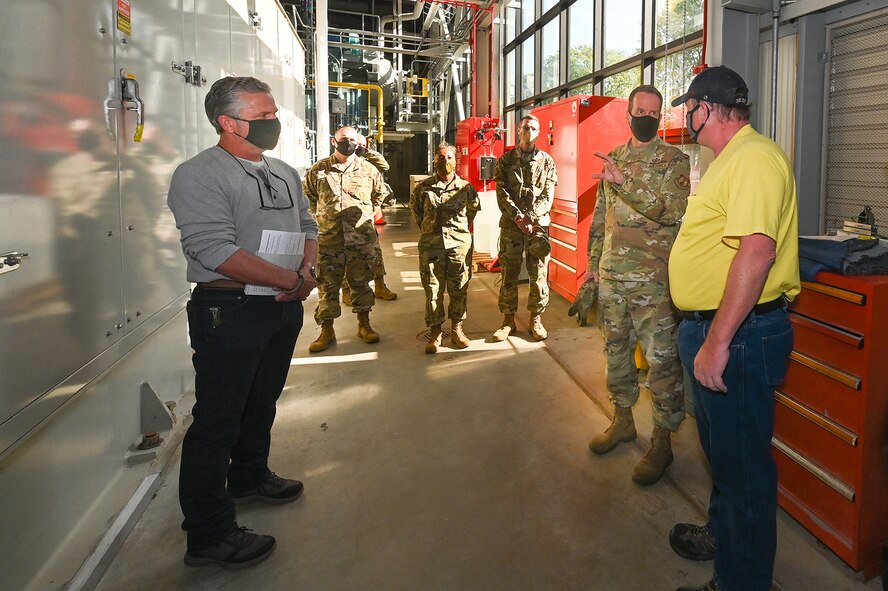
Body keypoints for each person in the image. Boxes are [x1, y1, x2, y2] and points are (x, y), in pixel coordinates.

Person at [167, 76, 319, 569]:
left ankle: (250, 476)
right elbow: (213, 249)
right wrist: (288, 279)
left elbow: (307, 225)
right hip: (229, 309)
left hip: (279, 304)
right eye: (263, 117)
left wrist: (307, 271)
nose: (273, 123)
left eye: (274, 114)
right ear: (227, 122)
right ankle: (209, 533)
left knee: (261, 400)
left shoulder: (284, 172)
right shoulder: (199, 174)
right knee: (219, 417)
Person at [667, 66, 799, 591]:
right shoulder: (728, 161)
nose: (685, 118)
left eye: (689, 108)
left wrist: (717, 342)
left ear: (709, 108)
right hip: (718, 331)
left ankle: (739, 581)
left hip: (737, 337)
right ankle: (726, 538)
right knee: (725, 454)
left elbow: (757, 250)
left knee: (743, 472)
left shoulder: (754, 159)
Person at [585, 85, 691, 486]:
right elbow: (600, 219)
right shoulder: (612, 159)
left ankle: (663, 441)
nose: (647, 116)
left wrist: (625, 182)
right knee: (615, 354)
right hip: (614, 278)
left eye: (654, 112)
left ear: (660, 116)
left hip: (653, 283)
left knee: (662, 363)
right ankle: (623, 420)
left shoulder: (673, 161)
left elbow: (670, 212)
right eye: (640, 110)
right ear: (628, 113)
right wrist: (593, 268)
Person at [303, 125, 387, 352]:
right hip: (330, 240)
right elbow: (309, 196)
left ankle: (364, 325)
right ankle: (326, 331)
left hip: (360, 240)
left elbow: (380, 194)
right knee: (327, 287)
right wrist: (322, 216)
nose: (347, 142)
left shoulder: (368, 170)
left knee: (361, 284)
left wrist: (368, 212)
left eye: (351, 139)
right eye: (343, 138)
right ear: (334, 141)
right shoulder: (319, 170)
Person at [491, 114, 558, 341]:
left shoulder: (547, 161)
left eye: (533, 128)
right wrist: (518, 216)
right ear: (518, 130)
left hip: (537, 227)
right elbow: (501, 192)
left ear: (539, 133)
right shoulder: (506, 160)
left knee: (538, 273)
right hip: (512, 225)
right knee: (509, 272)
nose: (528, 130)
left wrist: (531, 217)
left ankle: (535, 319)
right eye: (525, 127)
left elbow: (548, 194)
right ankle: (508, 321)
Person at [410, 142, 481, 353]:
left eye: (449, 157)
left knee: (459, 288)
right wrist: (431, 231)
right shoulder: (422, 188)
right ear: (434, 160)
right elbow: (418, 215)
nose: (445, 161)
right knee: (433, 291)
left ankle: (457, 329)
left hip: (458, 247)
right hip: (431, 247)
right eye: (441, 157)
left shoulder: (466, 188)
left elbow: (472, 212)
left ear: (455, 161)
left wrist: (457, 234)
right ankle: (435, 332)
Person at [341, 133, 398, 305]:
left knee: (375, 254)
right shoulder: (339, 161)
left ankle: (380, 286)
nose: (354, 146)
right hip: (343, 220)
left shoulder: (367, 163)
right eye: (353, 142)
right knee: (346, 256)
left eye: (358, 144)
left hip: (365, 219)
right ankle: (347, 290)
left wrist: (365, 151)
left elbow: (384, 166)